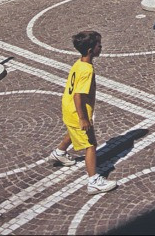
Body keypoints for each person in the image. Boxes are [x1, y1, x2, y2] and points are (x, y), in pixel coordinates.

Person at [49, 30, 117, 194]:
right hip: (77, 112)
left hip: (68, 108)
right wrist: (83, 118)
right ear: (90, 50)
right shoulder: (87, 70)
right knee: (91, 145)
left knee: (73, 131)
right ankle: (93, 181)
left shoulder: (79, 63)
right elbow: (78, 95)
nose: (101, 47)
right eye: (99, 45)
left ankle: (59, 152)